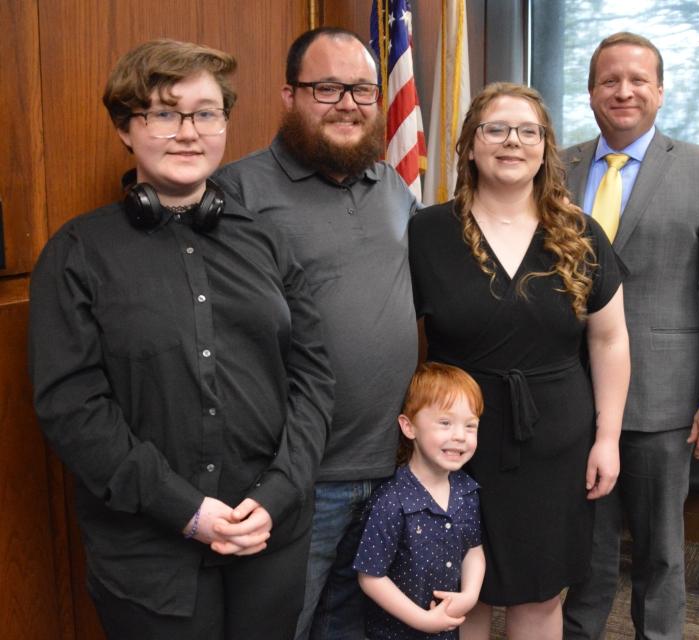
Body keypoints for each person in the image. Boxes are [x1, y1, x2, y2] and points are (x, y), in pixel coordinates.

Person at [28, 39, 334, 640]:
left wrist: (278, 492)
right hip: (148, 557)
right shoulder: (77, 254)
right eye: (164, 113)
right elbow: (72, 409)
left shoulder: (268, 244)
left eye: (206, 112)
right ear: (125, 127)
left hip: (268, 541)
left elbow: (314, 379)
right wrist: (187, 511)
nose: (187, 131)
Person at [214, 27, 418, 640]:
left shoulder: (392, 188)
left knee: (354, 625)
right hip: (300, 476)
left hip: (390, 463)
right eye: (327, 88)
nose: (348, 104)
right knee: (283, 626)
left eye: (361, 89)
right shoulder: (237, 192)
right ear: (288, 95)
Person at [408, 82, 630, 640]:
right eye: (496, 129)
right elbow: (399, 338)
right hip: (458, 443)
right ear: (471, 145)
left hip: (556, 444)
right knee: (461, 595)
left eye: (528, 131)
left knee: (539, 593)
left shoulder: (580, 234)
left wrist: (608, 439)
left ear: (544, 147)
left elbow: (609, 341)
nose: (513, 142)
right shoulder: (426, 232)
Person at [560, 32, 699, 639]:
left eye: (638, 79)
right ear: (590, 92)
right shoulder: (553, 166)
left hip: (661, 400)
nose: (623, 91)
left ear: (661, 91)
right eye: (609, 80)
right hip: (567, 394)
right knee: (582, 553)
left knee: (661, 555)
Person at [354, 362, 486, 639]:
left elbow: (473, 549)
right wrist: (423, 620)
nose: (460, 436)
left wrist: (471, 593)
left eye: (470, 425)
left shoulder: (466, 491)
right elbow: (371, 577)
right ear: (409, 426)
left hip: (446, 629)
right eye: (445, 423)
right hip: (396, 633)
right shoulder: (391, 501)